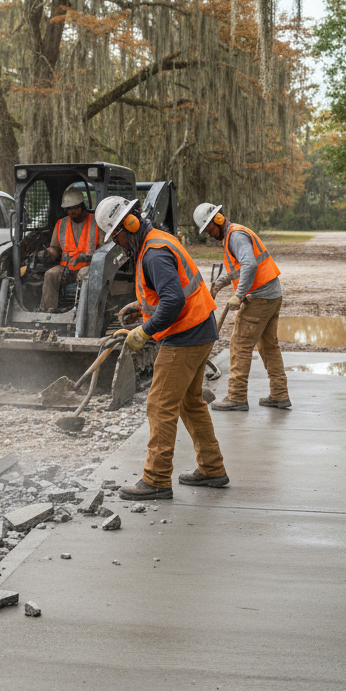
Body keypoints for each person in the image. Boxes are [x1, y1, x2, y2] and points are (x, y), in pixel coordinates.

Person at [94, 196, 230, 499]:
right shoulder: (156, 241)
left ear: (128, 225)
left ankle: (155, 479)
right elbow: (168, 294)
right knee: (190, 402)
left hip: (186, 335)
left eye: (116, 236)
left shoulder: (153, 253)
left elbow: (173, 301)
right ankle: (212, 468)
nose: (118, 244)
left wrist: (143, 331)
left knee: (160, 404)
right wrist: (141, 306)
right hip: (200, 328)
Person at [193, 202, 290, 411]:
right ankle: (280, 394)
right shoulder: (234, 235)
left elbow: (250, 265)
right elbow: (243, 268)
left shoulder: (235, 236)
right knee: (269, 346)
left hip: (260, 298)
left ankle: (236, 397)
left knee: (239, 345)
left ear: (218, 219)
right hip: (272, 296)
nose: (209, 234)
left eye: (209, 228)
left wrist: (238, 295)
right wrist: (222, 281)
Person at [39, 188, 100, 312]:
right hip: (66, 267)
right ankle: (49, 311)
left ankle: (83, 312)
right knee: (50, 274)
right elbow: (55, 247)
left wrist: (87, 258)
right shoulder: (61, 224)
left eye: (75, 208)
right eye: (69, 209)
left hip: (90, 267)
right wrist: (47, 253)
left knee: (84, 275)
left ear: (82, 206)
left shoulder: (96, 222)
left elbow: (104, 250)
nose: (72, 211)